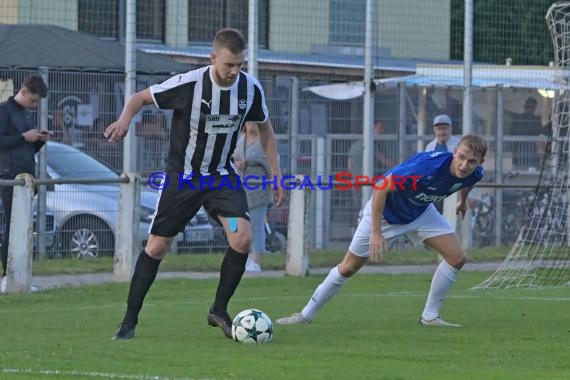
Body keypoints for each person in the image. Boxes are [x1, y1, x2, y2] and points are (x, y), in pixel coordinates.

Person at [105, 28, 284, 340]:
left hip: (221, 182)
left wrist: (277, 174)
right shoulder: (190, 84)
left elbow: (266, 131)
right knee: (158, 246)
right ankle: (128, 322)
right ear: (213, 57)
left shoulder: (250, 89)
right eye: (229, 64)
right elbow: (138, 98)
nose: (234, 71)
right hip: (183, 180)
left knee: (242, 238)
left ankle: (219, 309)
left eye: (239, 65)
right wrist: (124, 120)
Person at [277, 134, 486, 327]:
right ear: (454, 152)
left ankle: (430, 316)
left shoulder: (475, 173)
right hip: (385, 213)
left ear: (480, 163)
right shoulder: (426, 168)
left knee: (457, 258)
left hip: (420, 212)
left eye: (471, 161)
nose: (464, 165)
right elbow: (380, 188)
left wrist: (463, 201)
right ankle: (304, 316)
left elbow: (466, 181)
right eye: (461, 157)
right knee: (349, 267)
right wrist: (376, 233)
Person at [0, 75, 49, 293]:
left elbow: (27, 149)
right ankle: (6, 276)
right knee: (12, 227)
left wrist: (39, 141)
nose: (35, 105)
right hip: (9, 178)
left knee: (24, 229)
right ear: (25, 91)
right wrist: (23, 137)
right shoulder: (4, 111)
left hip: (26, 178)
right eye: (34, 100)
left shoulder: (26, 116)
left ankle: (20, 275)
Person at [233, 121, 274, 273]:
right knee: (236, 223)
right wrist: (237, 163)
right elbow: (230, 157)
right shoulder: (239, 138)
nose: (250, 125)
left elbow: (271, 165)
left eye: (254, 122)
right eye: (248, 121)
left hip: (258, 188)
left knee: (256, 224)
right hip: (238, 187)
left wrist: (276, 185)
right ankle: (243, 256)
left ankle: (256, 259)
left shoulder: (264, 140)